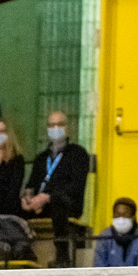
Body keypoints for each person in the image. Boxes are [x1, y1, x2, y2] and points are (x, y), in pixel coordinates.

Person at [21, 112, 90, 266]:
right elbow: (31, 185)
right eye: (52, 125)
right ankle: (22, 253)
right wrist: (28, 198)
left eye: (60, 124)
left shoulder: (78, 154)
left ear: (68, 128)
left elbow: (76, 187)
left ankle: (63, 257)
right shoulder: (41, 158)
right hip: (40, 206)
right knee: (13, 205)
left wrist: (48, 197)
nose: (56, 128)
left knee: (58, 204)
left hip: (67, 204)